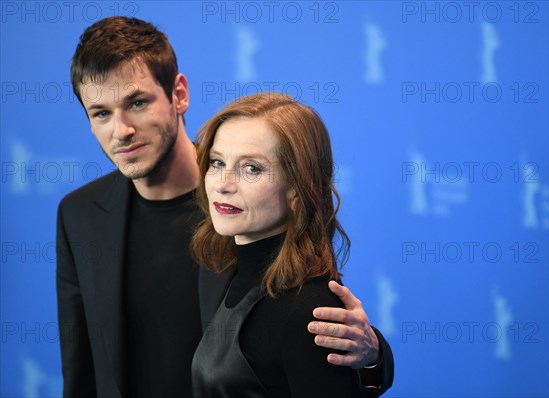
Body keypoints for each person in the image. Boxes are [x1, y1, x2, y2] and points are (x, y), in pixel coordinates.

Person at [57, 16, 393, 398]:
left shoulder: (248, 203)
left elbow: (309, 318)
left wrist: (372, 353)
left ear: (178, 94)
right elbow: (80, 365)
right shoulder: (79, 214)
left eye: (137, 102)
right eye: (100, 112)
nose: (121, 130)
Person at [191, 92, 385, 397]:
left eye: (251, 168)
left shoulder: (310, 314)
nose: (223, 183)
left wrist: (375, 357)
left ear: (296, 188)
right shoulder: (221, 274)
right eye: (217, 162)